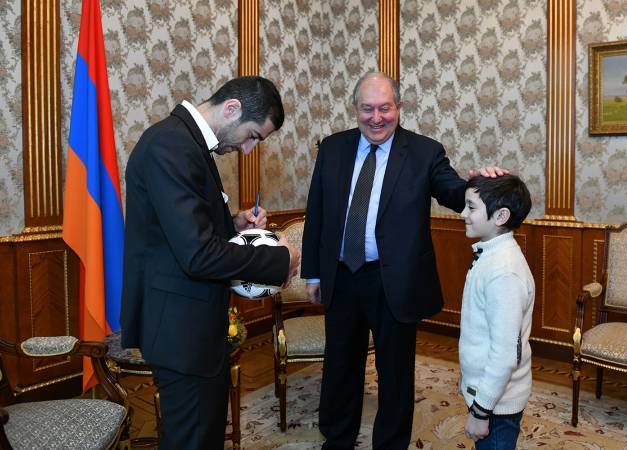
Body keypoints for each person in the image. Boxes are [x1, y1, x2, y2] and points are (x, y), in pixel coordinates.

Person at [301, 71, 505, 449]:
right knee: (340, 366)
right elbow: (318, 212)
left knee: (394, 373)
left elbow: (453, 192)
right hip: (342, 276)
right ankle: (337, 440)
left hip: (394, 279)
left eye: (384, 108)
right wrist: (312, 273)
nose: (376, 118)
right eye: (367, 109)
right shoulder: (332, 148)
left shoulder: (424, 151)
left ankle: (391, 444)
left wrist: (482, 185)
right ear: (355, 109)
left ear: (399, 107)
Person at [120, 76, 300, 450]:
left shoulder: (189, 144)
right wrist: (278, 258)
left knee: (203, 435)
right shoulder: (171, 145)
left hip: (194, 328)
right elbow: (197, 254)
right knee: (192, 440)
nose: (249, 149)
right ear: (232, 108)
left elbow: (183, 232)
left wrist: (230, 224)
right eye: (253, 136)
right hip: (180, 334)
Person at [458, 174, 534, 449]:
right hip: (489, 395)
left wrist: (480, 411)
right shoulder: (490, 255)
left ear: (500, 216)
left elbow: (504, 355)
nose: (463, 214)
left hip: (497, 405)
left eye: (471, 207)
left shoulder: (504, 272)